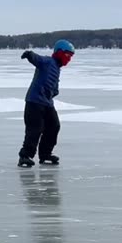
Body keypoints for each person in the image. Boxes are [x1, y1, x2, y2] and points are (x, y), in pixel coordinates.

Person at [17, 39, 75, 168]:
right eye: (67, 55)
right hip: (34, 101)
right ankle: (25, 156)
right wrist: (29, 54)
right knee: (35, 129)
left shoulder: (57, 68)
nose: (69, 59)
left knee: (54, 126)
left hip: (47, 103)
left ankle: (45, 154)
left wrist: (54, 91)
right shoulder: (48, 62)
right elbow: (38, 59)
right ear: (60, 52)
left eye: (71, 57)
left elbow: (53, 84)